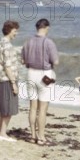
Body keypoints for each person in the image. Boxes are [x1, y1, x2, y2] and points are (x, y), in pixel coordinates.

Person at [21, 18, 59, 146]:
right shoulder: (49, 42)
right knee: (42, 109)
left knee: (32, 108)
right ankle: (41, 136)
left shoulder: (28, 42)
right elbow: (56, 62)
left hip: (31, 73)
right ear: (46, 28)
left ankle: (32, 136)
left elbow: (23, 61)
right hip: (44, 75)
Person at [0, 20, 20, 142]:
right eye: (15, 31)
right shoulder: (7, 46)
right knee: (8, 109)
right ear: (9, 31)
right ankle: (3, 134)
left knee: (4, 108)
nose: (16, 33)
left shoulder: (0, 44)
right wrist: (13, 83)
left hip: (0, 79)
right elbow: (7, 67)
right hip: (7, 80)